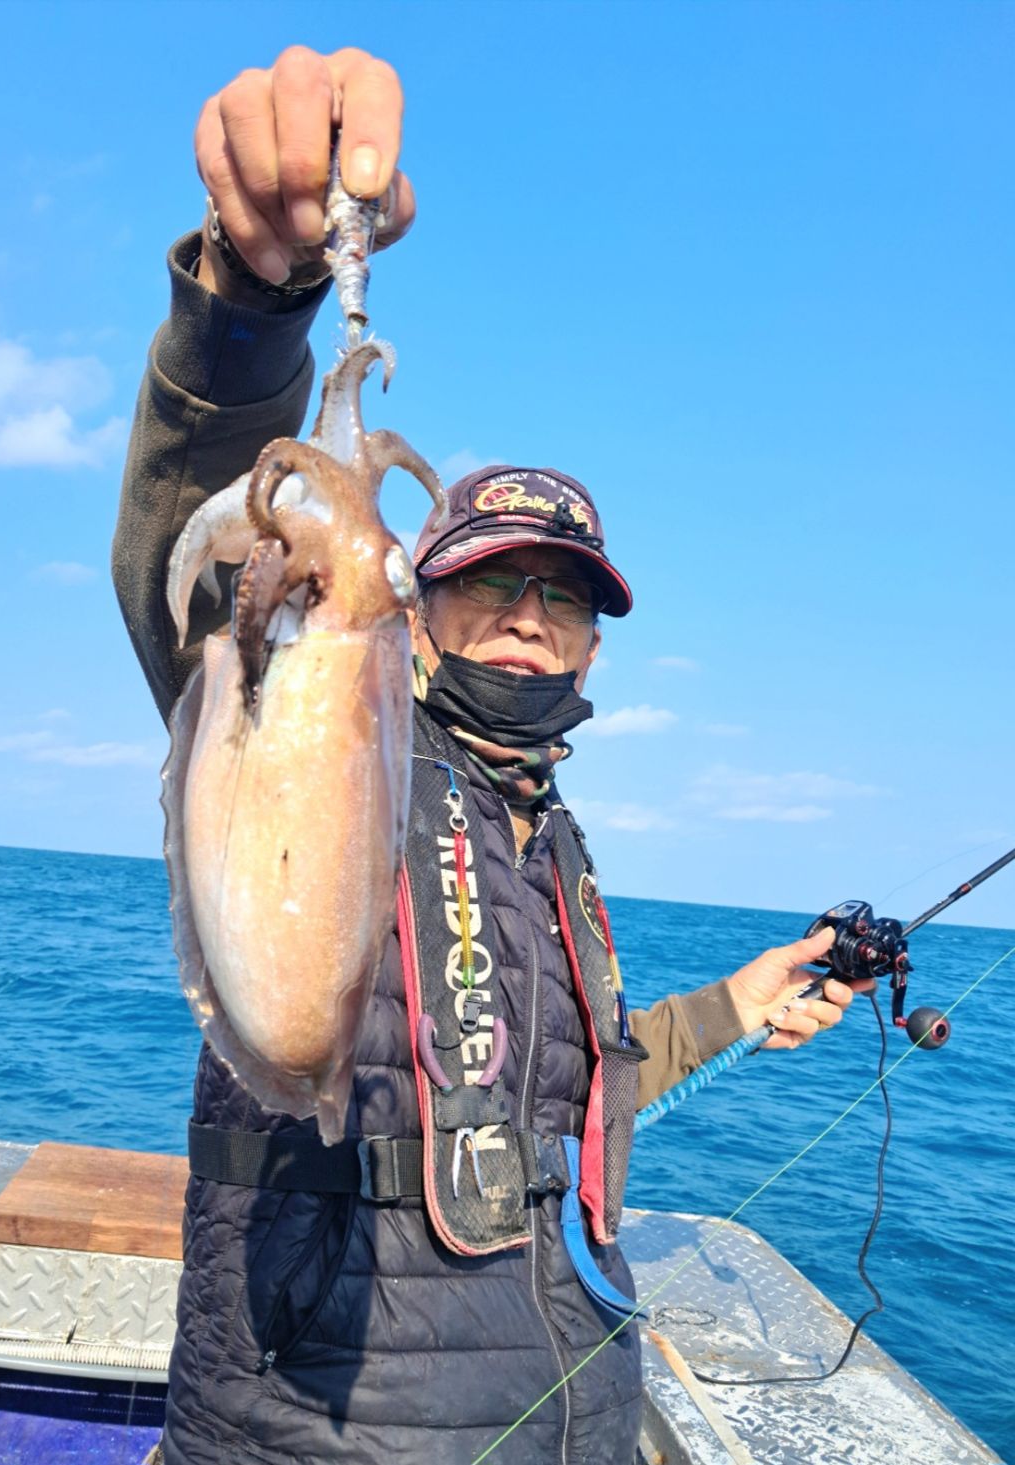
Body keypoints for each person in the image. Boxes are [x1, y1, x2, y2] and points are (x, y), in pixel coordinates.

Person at [114, 45, 867, 1465]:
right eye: (491, 583)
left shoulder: (552, 845)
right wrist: (254, 301)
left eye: (564, 598)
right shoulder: (348, 732)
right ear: (419, 609)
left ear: (592, 648)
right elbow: (207, 560)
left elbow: (569, 1095)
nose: (529, 616)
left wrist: (739, 1004)